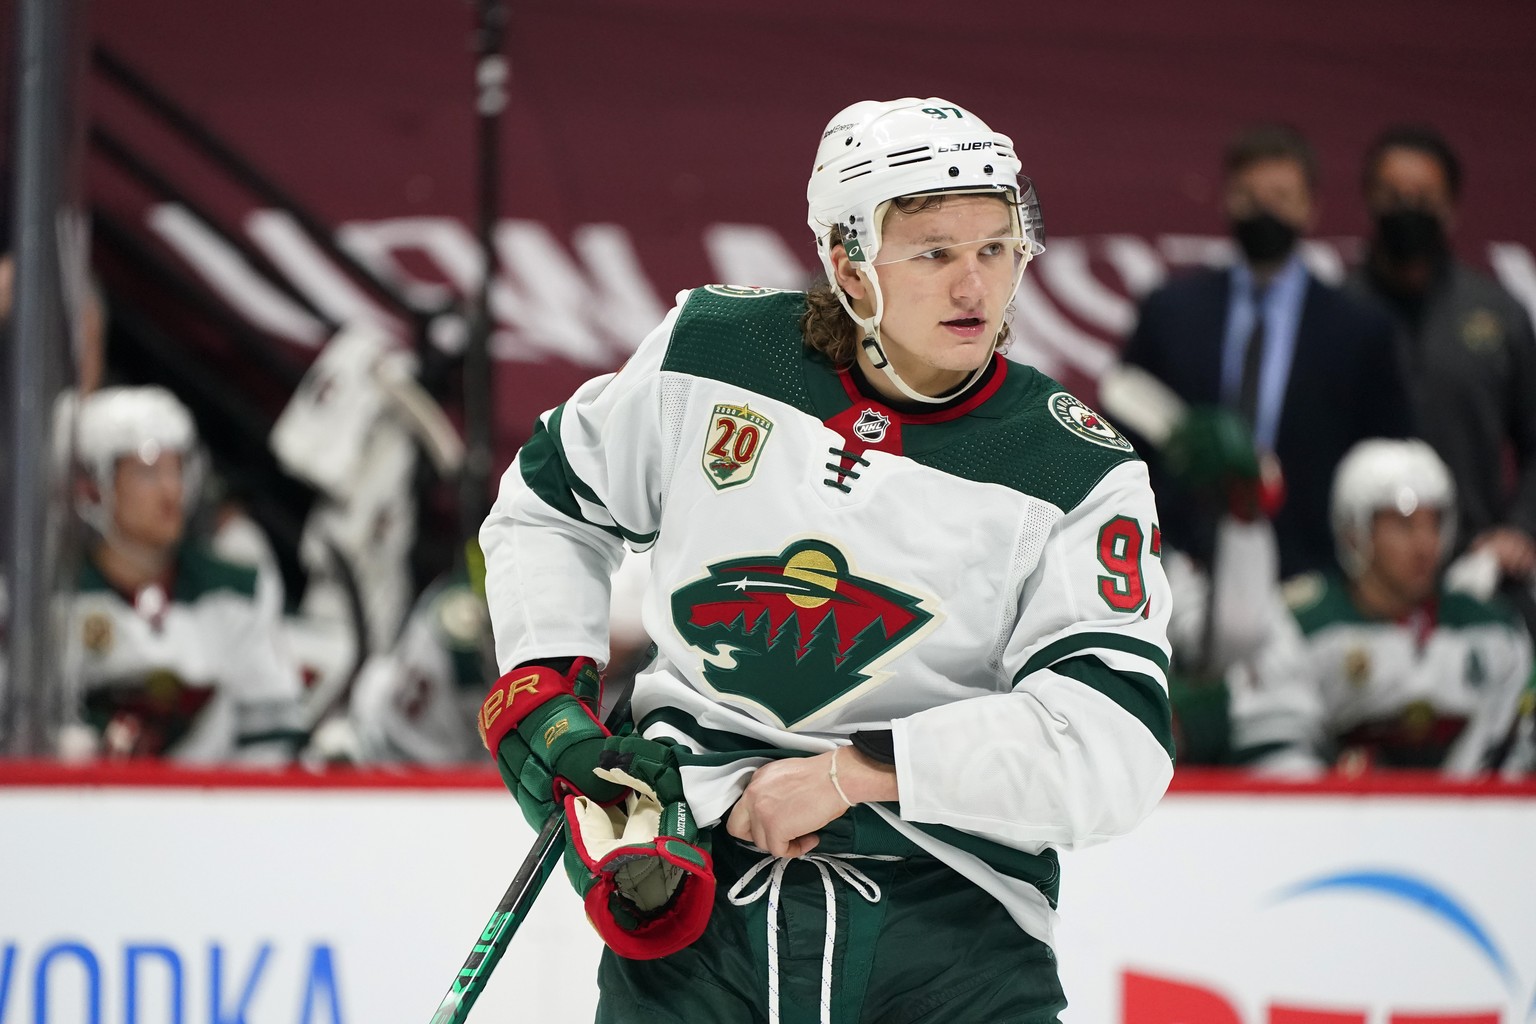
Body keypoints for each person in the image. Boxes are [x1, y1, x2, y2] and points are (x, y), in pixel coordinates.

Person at [478, 97, 1174, 1023]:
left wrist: (858, 771)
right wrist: (545, 674)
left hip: (951, 928)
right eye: (934, 252)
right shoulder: (714, 353)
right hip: (695, 906)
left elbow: (1114, 747)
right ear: (849, 262)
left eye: (997, 248)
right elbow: (546, 504)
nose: (977, 287)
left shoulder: (1077, 473)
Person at [1120, 122, 1415, 579]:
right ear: (1226, 200)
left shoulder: (1359, 328)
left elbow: (1384, 454)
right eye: (1249, 197)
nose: (1264, 212)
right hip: (1179, 564)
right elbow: (1122, 425)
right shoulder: (1171, 311)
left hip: (1312, 569)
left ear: (1310, 208)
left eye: (1281, 197)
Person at [1232, 439, 1534, 775]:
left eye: (1434, 523)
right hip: (1335, 822)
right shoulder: (1299, 626)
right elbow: (1275, 753)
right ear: (1353, 533)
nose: (1424, 544)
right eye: (1404, 525)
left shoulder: (1493, 631)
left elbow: (1515, 757)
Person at [61, 385, 307, 763]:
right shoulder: (51, 598)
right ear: (93, 486)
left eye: (178, 468)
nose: (171, 490)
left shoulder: (238, 590)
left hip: (215, 813)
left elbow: (272, 733)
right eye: (147, 472)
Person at [1348, 124, 1536, 597]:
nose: (1408, 208)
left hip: (1473, 571)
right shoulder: (1334, 314)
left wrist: (1520, 528)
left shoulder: (1497, 315)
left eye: (1424, 196)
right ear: (1369, 200)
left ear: (1451, 208)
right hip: (1355, 578)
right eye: (1393, 194)